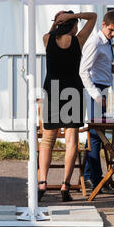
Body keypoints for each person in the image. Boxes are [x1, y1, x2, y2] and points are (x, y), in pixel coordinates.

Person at [38, 10, 97, 202]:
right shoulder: (78, 41)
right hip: (73, 90)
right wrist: (74, 16)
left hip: (53, 90)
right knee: (72, 140)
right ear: (73, 25)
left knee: (47, 141)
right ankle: (65, 185)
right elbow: (94, 16)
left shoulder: (47, 38)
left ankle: (42, 183)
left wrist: (57, 21)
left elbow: (50, 33)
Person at [79, 10, 114, 193]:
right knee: (96, 135)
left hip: (103, 87)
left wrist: (110, 67)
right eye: (111, 30)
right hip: (96, 89)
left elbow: (98, 64)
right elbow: (83, 71)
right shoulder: (95, 42)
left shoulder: (106, 42)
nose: (113, 34)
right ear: (103, 25)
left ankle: (89, 176)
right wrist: (96, 94)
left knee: (97, 134)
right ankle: (96, 179)